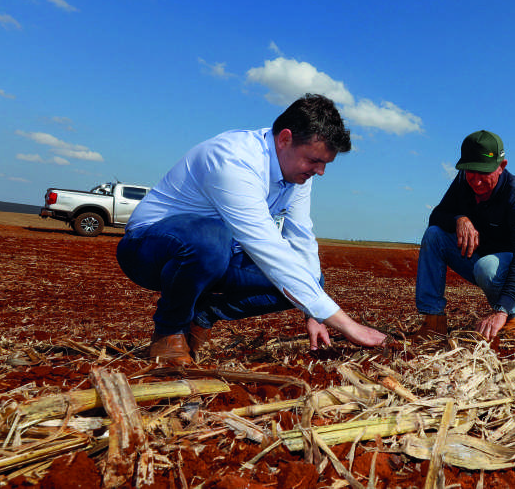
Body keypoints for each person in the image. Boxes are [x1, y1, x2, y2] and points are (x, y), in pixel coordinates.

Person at [116, 93, 388, 366]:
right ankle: (169, 331)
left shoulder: (298, 176)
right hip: (147, 248)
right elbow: (267, 247)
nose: (320, 171)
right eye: (314, 160)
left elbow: (301, 238)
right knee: (210, 238)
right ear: (285, 139)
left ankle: (202, 315)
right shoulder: (233, 159)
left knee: (312, 279)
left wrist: (314, 313)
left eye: (325, 163)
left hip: (218, 255)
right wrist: (348, 325)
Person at [415, 130, 515, 340]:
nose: (476, 181)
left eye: (484, 172)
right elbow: (437, 216)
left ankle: (514, 314)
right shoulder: (463, 182)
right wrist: (459, 219)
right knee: (434, 235)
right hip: (487, 260)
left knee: (487, 267)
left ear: (501, 166)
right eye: (471, 171)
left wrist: (502, 309)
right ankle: (434, 321)